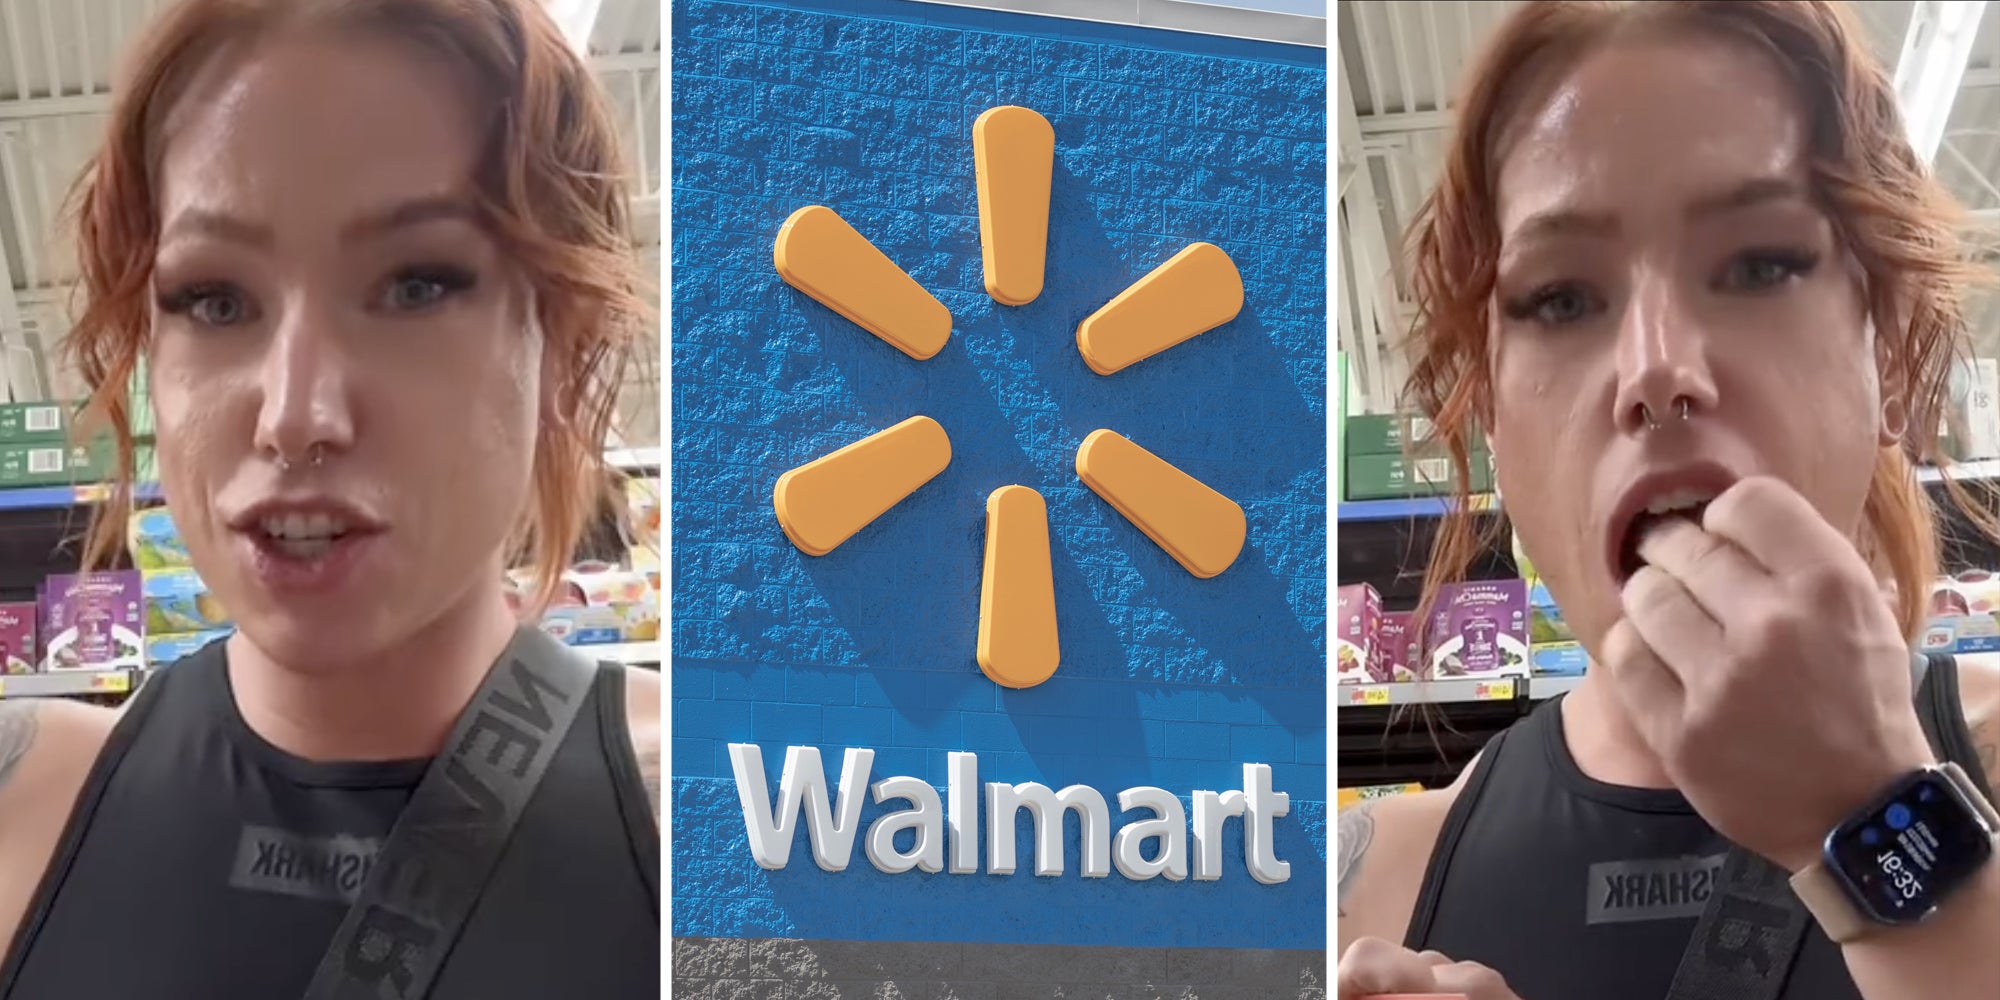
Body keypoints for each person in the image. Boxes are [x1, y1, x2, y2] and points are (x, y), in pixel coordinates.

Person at [1336, 2, 2000, 998]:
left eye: (1759, 264)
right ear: (1490, 418)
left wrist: (1881, 814)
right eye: (1559, 298)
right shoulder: (1364, 887)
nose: (1655, 367)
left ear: (1893, 361)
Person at [0, 1, 659, 997]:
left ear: (559, 339)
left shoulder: (739, 827)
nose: (294, 414)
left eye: (415, 284)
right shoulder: (24, 810)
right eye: (214, 299)